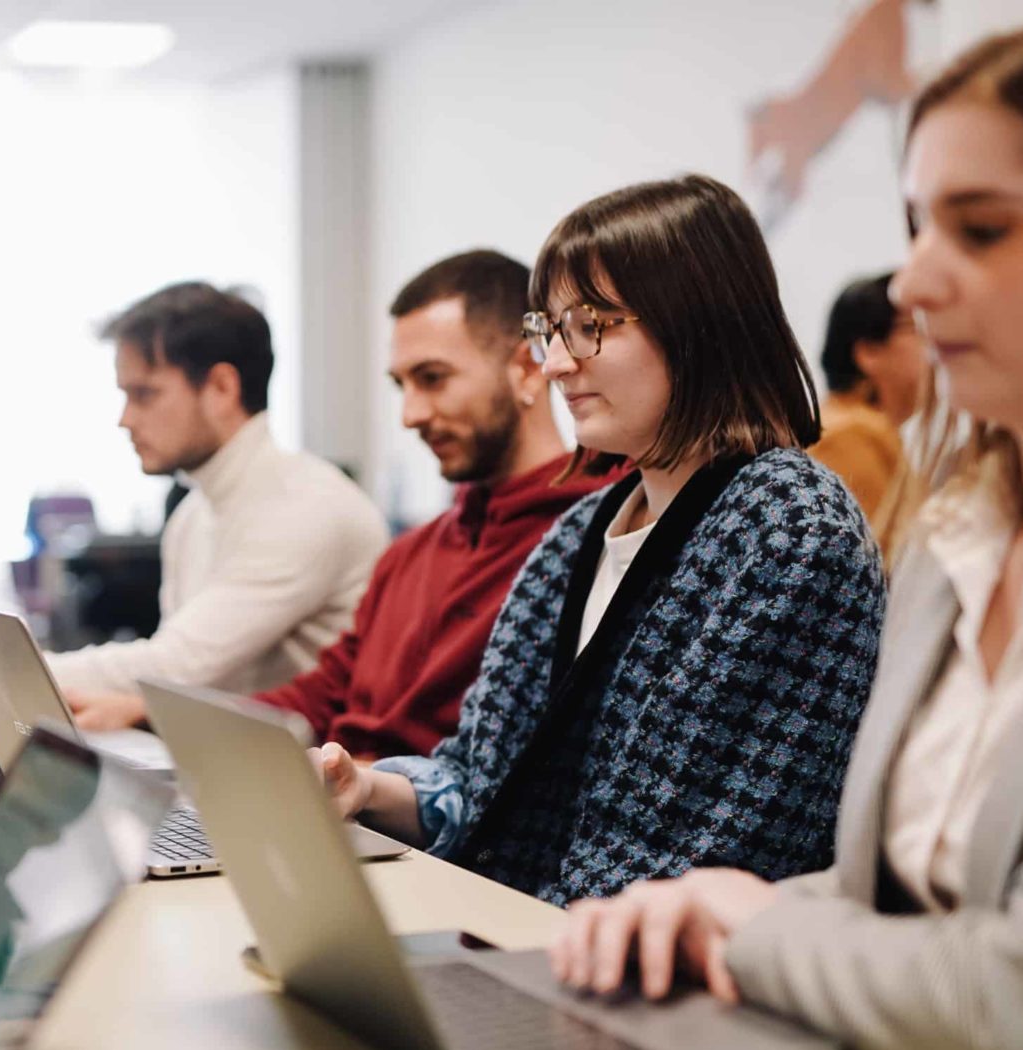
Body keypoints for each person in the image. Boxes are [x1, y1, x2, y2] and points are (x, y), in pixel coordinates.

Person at [550, 16, 1023, 1050]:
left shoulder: (792, 516)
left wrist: (750, 930)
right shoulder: (954, 540)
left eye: (979, 230)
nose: (908, 285)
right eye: (914, 225)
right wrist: (723, 908)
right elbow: (896, 896)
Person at [319, 174, 886, 907]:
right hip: (522, 938)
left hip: (638, 986)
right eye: (548, 330)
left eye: (588, 325)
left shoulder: (789, 532)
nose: (555, 362)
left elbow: (694, 863)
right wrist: (364, 787)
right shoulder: (577, 535)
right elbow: (483, 782)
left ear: (697, 322)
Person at [253, 250, 605, 759]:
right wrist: (175, 723)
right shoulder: (409, 554)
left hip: (430, 829)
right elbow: (325, 692)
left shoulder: (594, 540)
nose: (411, 415)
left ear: (528, 368)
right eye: (402, 385)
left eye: (433, 378)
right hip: (344, 806)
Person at [49, 282, 388, 729]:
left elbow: (177, 667)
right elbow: (182, 683)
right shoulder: (192, 515)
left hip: (312, 780)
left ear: (222, 388)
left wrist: (23, 667)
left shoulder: (306, 508)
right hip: (221, 763)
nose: (125, 419)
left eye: (145, 394)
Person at [810, 272, 924, 530]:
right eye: (919, 328)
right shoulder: (850, 436)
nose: (937, 339)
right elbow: (889, 560)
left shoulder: (847, 427)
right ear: (869, 352)